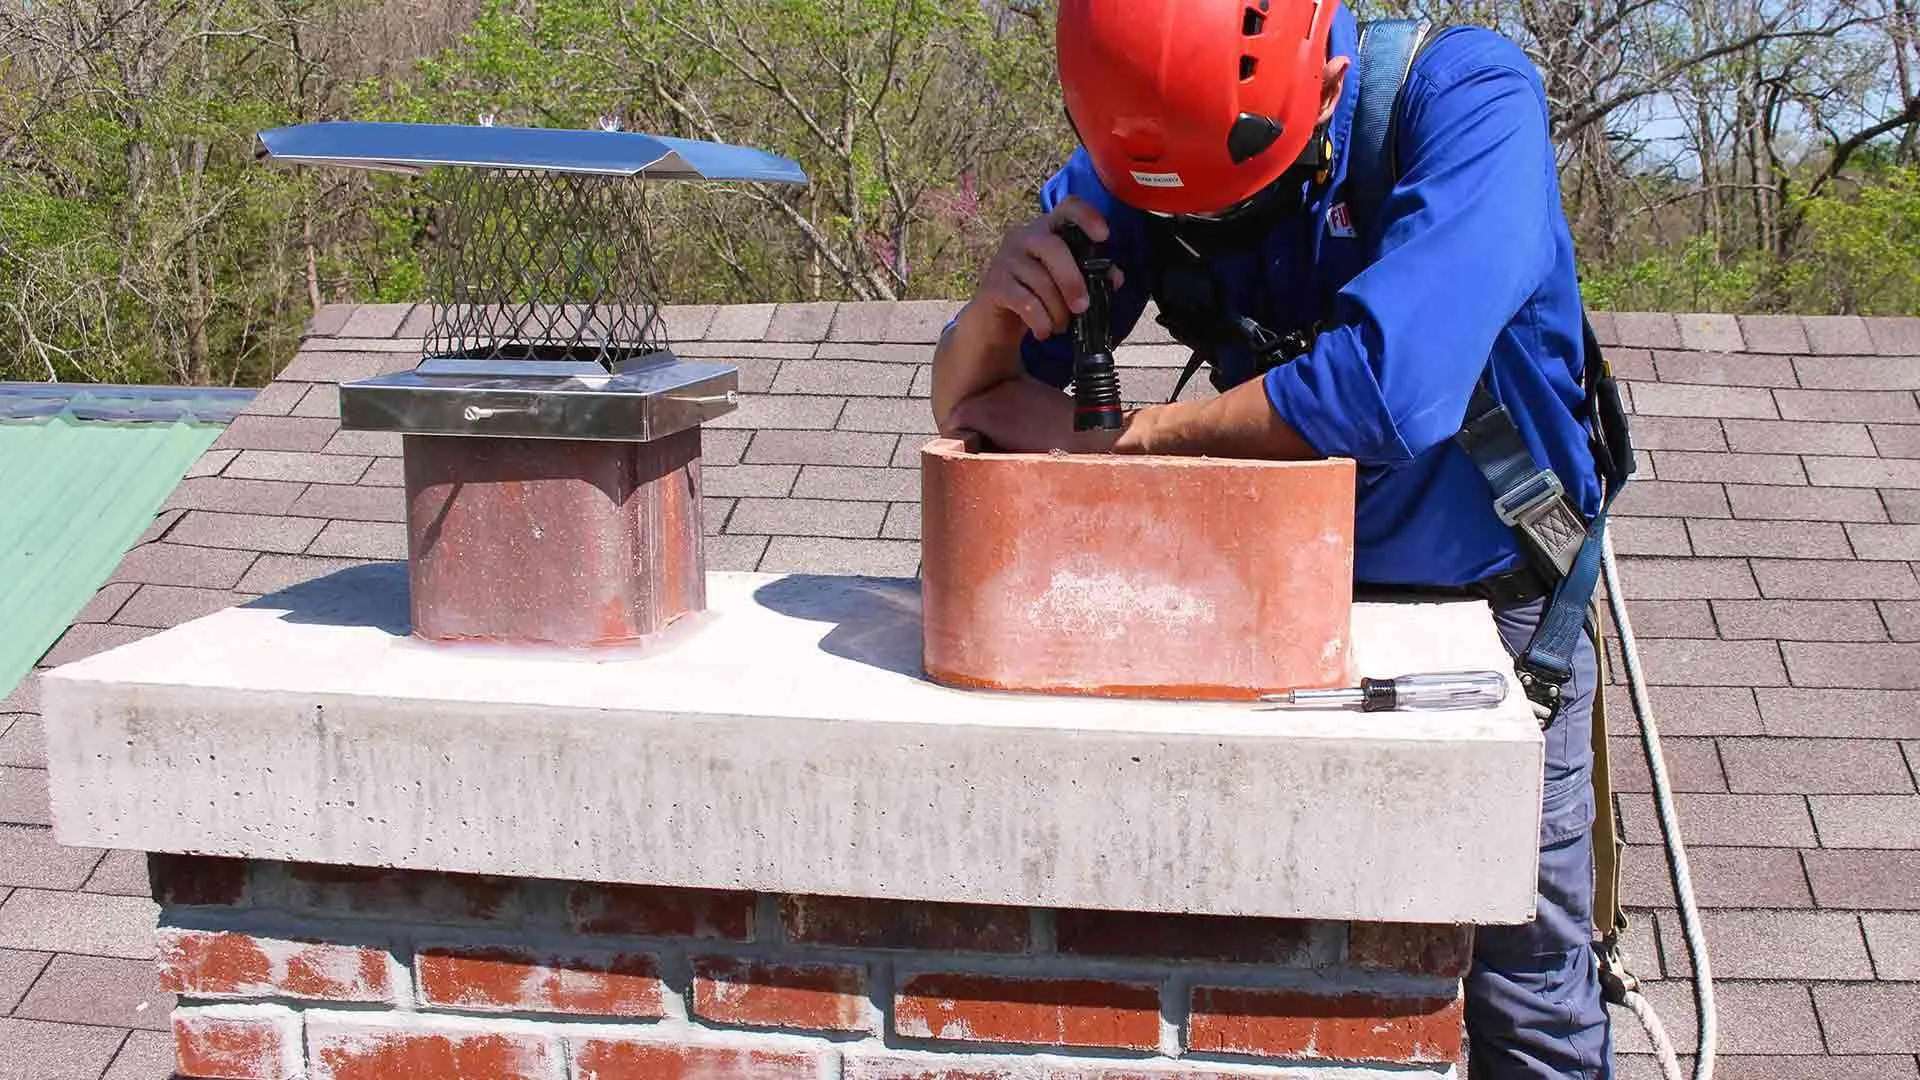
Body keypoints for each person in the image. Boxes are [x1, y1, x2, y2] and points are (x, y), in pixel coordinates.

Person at [929, 0, 1614, 1077]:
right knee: (1287, 949)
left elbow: (1393, 390)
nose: (1212, 228)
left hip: (1492, 598)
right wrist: (990, 321)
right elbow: (987, 415)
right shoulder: (1150, 147)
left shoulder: (1464, 99)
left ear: (1328, 86)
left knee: (1523, 984)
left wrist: (1131, 441)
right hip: (1279, 593)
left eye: (1238, 206)